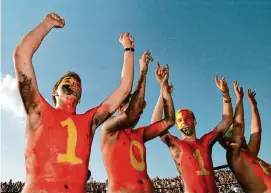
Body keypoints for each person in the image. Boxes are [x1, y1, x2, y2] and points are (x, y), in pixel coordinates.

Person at [13, 12, 135, 193]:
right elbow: (21, 54)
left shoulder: (89, 121)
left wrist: (128, 50)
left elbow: (124, 89)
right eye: (68, 81)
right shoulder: (37, 109)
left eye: (78, 84)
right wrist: (46, 24)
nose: (74, 84)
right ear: (55, 91)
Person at [100, 58, 175, 193]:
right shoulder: (108, 129)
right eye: (136, 108)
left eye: (141, 112)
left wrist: (164, 88)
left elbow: (169, 121)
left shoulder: (139, 134)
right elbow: (133, 112)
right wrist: (143, 72)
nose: (139, 114)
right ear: (121, 108)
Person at [151, 71, 233, 193]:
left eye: (187, 118)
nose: (184, 121)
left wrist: (226, 95)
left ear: (195, 121)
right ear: (177, 125)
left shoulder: (206, 141)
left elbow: (227, 121)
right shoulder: (176, 144)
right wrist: (163, 90)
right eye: (179, 120)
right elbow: (156, 124)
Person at [219, 81, 271, 193]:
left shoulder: (248, 154)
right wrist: (239, 99)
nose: (243, 137)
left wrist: (253, 105)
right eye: (240, 137)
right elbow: (239, 126)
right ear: (229, 142)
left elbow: (256, 131)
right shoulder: (234, 157)